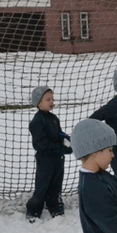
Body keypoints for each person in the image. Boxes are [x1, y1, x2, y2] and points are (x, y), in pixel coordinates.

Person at [26, 86, 73, 222]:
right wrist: (59, 148)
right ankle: (34, 209)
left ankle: (55, 206)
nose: (51, 101)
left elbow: (58, 134)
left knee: (56, 183)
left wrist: (66, 140)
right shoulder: (37, 121)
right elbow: (40, 144)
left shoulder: (53, 118)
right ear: (38, 103)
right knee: (43, 184)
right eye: (47, 99)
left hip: (57, 158)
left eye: (52, 98)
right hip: (45, 159)